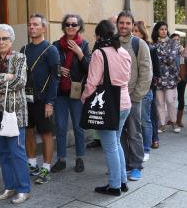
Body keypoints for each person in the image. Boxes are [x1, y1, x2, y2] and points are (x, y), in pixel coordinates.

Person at [0, 24, 31, 204]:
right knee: (3, 153)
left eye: (4, 38)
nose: (1, 42)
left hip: (15, 113)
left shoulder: (20, 57)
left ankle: (24, 189)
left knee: (17, 152)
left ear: (11, 40)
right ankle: (9, 187)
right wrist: (6, 78)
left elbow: (20, 81)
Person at [82, 20, 131, 197]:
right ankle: (122, 181)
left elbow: (92, 82)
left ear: (99, 36)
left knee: (110, 146)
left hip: (109, 105)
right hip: (125, 102)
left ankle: (114, 185)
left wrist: (84, 98)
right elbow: (127, 77)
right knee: (116, 143)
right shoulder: (124, 51)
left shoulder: (99, 53)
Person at [21, 14, 60, 184]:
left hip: (43, 100)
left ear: (44, 28)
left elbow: (55, 77)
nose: (32, 28)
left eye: (36, 25)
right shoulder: (23, 50)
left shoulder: (50, 49)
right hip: (26, 99)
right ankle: (31, 164)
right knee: (28, 131)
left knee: (46, 134)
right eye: (30, 25)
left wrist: (50, 102)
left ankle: (46, 167)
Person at [53, 14, 91, 174]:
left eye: (74, 24)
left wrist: (79, 53)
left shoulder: (84, 45)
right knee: (61, 127)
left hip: (76, 92)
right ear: (64, 26)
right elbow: (50, 66)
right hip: (60, 93)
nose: (70, 27)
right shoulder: (55, 45)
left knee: (78, 127)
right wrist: (58, 68)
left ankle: (79, 158)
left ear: (79, 27)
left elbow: (89, 69)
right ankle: (61, 159)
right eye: (67, 24)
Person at [117, 11, 152, 181]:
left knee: (133, 132)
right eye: (121, 23)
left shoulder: (139, 44)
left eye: (127, 23)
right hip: (114, 97)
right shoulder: (112, 42)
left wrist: (137, 95)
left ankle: (137, 165)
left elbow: (146, 72)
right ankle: (123, 164)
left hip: (132, 97)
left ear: (132, 25)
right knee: (118, 133)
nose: (124, 26)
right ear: (117, 24)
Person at [132, 20, 157, 161]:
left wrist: (148, 86)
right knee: (135, 122)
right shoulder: (129, 46)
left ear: (142, 33)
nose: (134, 33)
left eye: (136, 31)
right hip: (132, 89)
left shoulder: (150, 48)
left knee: (145, 120)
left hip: (146, 90)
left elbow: (156, 71)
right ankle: (138, 148)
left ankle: (146, 149)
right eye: (133, 31)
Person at [152, 22, 180, 133]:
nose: (164, 31)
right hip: (158, 77)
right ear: (157, 31)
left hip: (171, 77)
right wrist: (163, 56)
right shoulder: (153, 44)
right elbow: (154, 60)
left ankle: (173, 121)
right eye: (161, 29)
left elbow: (171, 59)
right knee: (159, 102)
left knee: (170, 101)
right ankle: (162, 124)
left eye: (165, 29)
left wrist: (159, 54)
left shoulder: (173, 42)